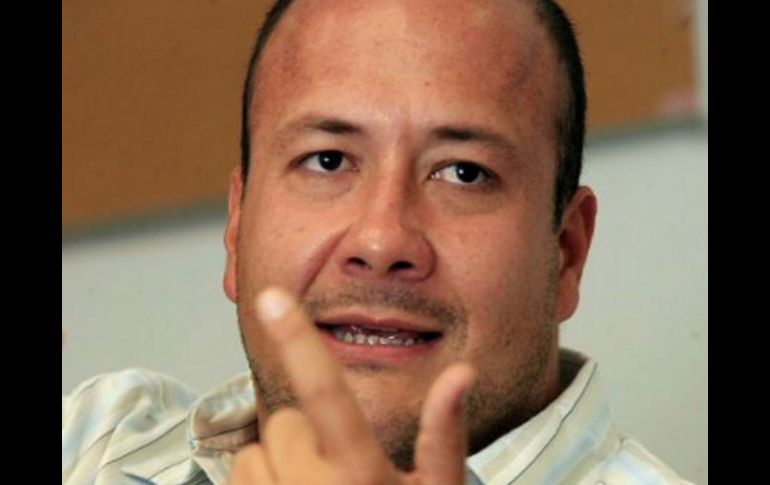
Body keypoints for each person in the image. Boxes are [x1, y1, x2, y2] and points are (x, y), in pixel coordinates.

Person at [61, 0, 695, 483]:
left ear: (566, 254)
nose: (382, 239)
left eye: (464, 173)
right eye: (328, 160)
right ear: (237, 224)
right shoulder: (94, 442)